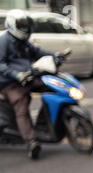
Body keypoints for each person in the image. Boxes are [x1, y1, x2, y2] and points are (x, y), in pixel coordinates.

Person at [0, 9, 56, 159]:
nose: (26, 29)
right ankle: (31, 142)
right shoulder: (4, 41)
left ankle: (44, 124)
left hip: (27, 78)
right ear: (12, 25)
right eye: (22, 26)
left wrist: (55, 56)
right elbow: (1, 65)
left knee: (53, 87)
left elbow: (38, 52)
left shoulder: (23, 41)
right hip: (10, 83)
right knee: (21, 106)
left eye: (27, 26)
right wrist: (16, 74)